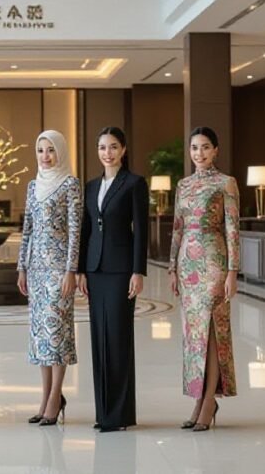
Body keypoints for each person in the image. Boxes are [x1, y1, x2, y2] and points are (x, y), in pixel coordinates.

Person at [169, 126, 240, 432]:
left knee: (211, 332)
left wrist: (232, 272)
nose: (199, 153)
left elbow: (233, 230)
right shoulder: (183, 185)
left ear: (216, 151)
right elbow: (177, 228)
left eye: (205, 147)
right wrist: (172, 268)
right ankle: (199, 399)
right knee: (194, 336)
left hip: (214, 263)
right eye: (195, 148)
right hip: (187, 265)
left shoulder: (227, 183)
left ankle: (209, 400)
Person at [78, 126, 148, 432]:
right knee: (98, 340)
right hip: (95, 270)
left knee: (118, 339)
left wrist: (138, 271)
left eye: (114, 147)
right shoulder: (91, 186)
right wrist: (81, 269)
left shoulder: (134, 183)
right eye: (103, 147)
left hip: (121, 271)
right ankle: (103, 413)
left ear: (124, 150)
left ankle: (120, 415)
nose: (108, 152)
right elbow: (86, 229)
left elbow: (141, 231)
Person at [16, 130, 81, 426]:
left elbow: (75, 233)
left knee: (57, 334)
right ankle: (44, 399)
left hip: (58, 271)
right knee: (41, 338)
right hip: (36, 271)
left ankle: (56, 397)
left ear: (61, 152)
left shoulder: (70, 184)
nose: (45, 156)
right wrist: (22, 268)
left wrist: (71, 270)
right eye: (41, 150)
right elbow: (27, 229)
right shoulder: (32, 186)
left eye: (51, 150)